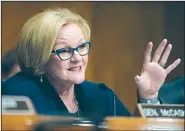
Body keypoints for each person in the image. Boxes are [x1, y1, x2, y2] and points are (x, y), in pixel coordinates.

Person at [2, 8, 181, 121]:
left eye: (82, 47)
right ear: (39, 57)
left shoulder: (101, 96)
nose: (77, 57)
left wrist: (148, 97)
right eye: (64, 51)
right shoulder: (17, 93)